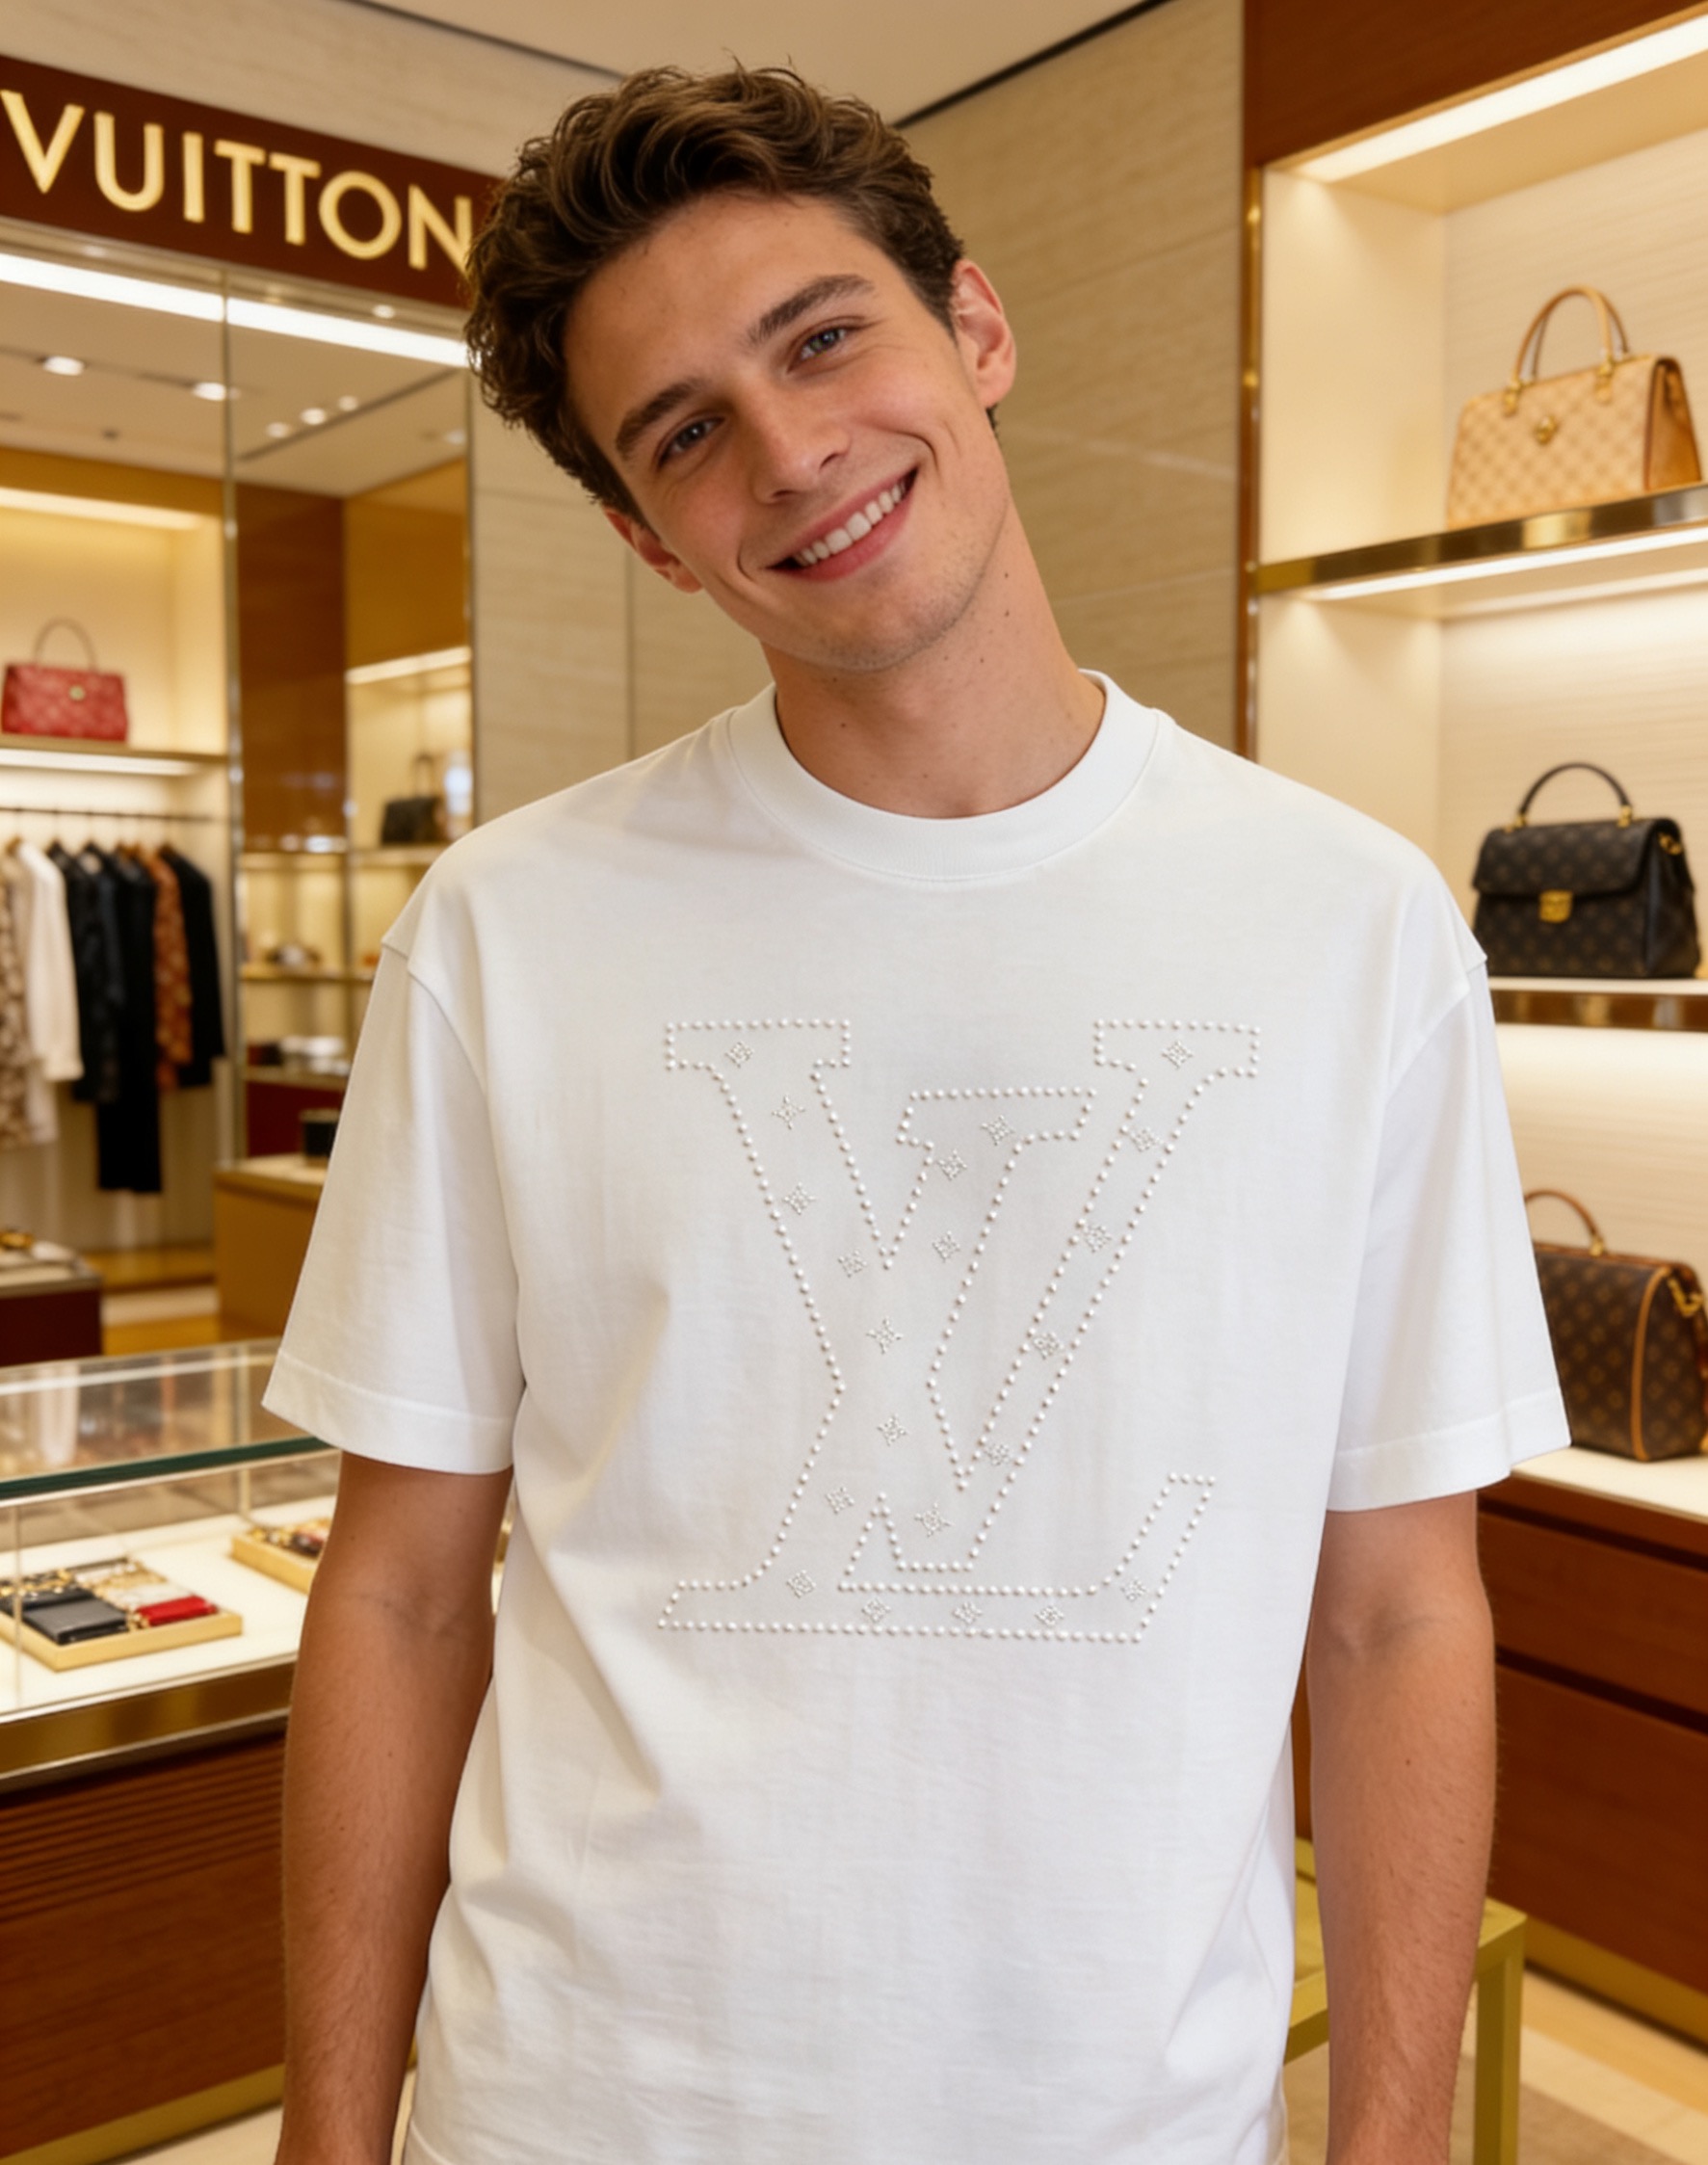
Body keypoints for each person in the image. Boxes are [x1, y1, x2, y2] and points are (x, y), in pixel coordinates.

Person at [266, 65, 1567, 2165]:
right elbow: (402, 1593)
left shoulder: (1352, 926)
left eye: (820, 337)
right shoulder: (501, 932)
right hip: (577, 2108)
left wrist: (1393, 2137)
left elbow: (1397, 1607)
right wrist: (330, 2138)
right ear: (646, 538)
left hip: (1127, 2116)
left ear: (972, 325)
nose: (790, 451)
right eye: (684, 432)